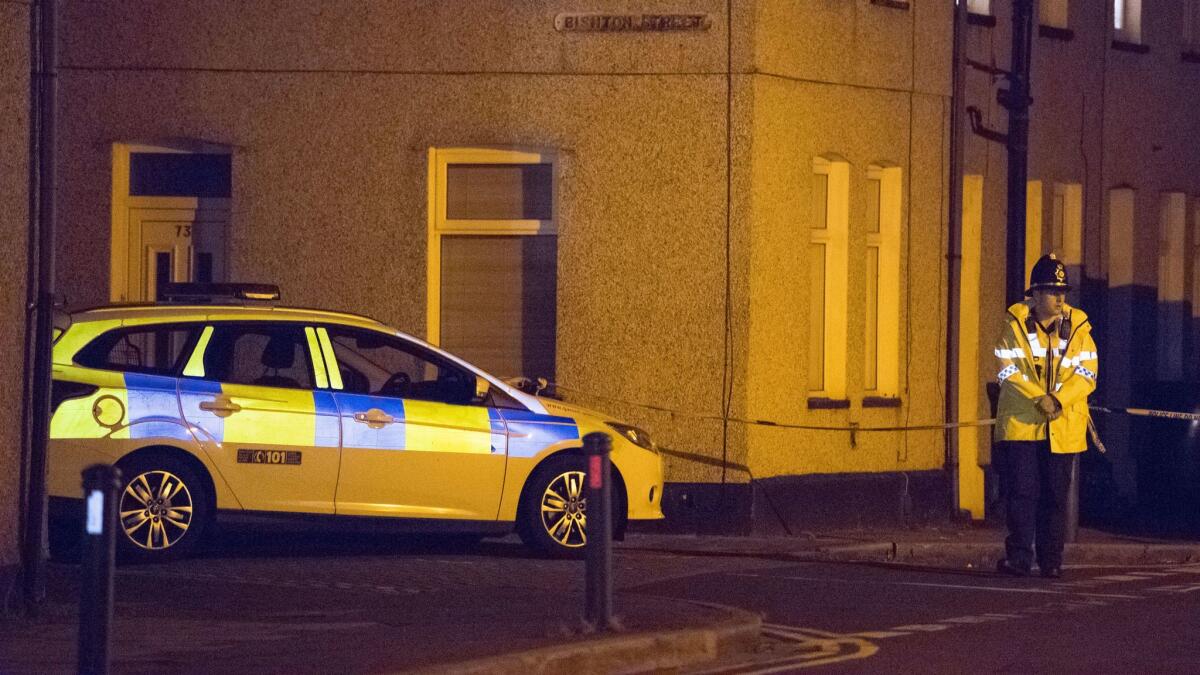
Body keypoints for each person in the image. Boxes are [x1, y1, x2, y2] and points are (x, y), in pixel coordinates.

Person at [993, 253, 1098, 579]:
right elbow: (1007, 370)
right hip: (1024, 425)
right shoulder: (1014, 327)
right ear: (1035, 294)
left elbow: (1087, 373)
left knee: (1055, 496)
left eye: (1063, 292)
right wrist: (1041, 399)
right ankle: (1020, 559)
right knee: (1023, 494)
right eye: (1053, 292)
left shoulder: (1079, 328)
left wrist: (1058, 399)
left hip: (1062, 427)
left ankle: (1051, 561)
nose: (1060, 298)